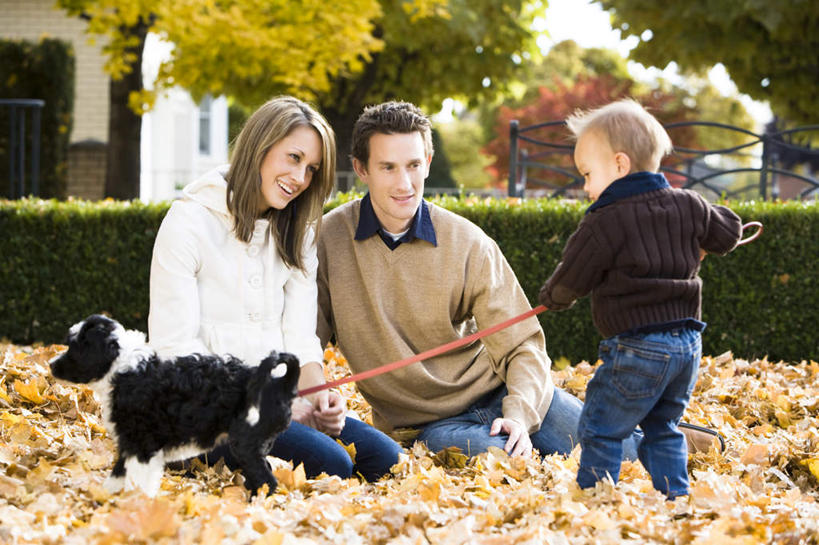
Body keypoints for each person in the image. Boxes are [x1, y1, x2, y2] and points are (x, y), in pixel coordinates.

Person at [317, 101, 634, 460]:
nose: (404, 183)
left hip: (500, 392)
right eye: (387, 167)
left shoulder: (468, 242)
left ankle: (674, 436)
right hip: (429, 426)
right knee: (501, 458)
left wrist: (519, 413)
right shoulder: (329, 241)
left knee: (620, 452)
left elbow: (522, 344)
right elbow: (304, 339)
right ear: (361, 168)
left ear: (429, 162)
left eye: (413, 165)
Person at [148, 95, 402, 482]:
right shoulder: (188, 223)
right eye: (293, 158)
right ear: (259, 147)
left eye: (312, 169)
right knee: (332, 464)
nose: (301, 179)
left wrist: (319, 397)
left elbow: (299, 335)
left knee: (386, 458)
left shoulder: (297, 231)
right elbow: (176, 353)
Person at [538, 99, 742, 498]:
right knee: (662, 428)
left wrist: (552, 298)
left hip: (637, 348)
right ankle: (676, 498)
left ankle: (596, 498)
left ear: (619, 165)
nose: (585, 186)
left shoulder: (604, 220)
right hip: (687, 347)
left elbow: (572, 276)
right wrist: (705, 224)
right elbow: (729, 232)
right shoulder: (689, 204)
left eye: (587, 174)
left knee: (600, 426)